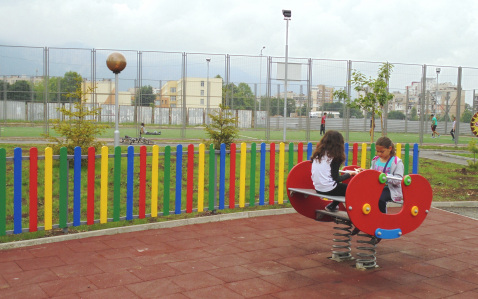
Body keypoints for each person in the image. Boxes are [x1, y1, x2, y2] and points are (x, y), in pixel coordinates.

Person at [353, 136, 404, 243]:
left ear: (390, 148)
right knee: (362, 196)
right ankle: (360, 223)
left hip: (390, 189)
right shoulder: (375, 160)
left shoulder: (396, 162)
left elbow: (399, 180)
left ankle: (381, 225)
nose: (379, 154)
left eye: (382, 151)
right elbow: (372, 173)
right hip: (377, 187)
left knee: (379, 199)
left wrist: (385, 176)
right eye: (377, 151)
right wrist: (364, 171)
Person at [310, 130, 358, 212]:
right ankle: (350, 210)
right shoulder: (334, 157)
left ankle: (333, 206)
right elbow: (336, 178)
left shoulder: (319, 154)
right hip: (328, 189)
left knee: (340, 187)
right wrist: (350, 174)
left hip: (318, 188)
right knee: (352, 189)